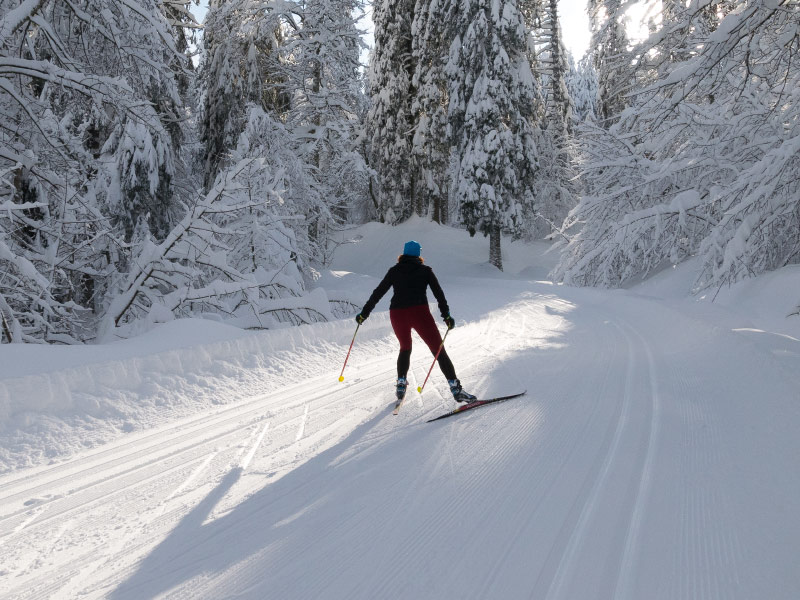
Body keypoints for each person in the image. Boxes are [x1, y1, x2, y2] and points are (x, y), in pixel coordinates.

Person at [355, 240, 477, 403]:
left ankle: (400, 384)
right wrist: (446, 316)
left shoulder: (394, 271)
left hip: (397, 314)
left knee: (405, 348)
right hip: (419, 313)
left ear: (403, 254)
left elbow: (378, 293)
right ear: (419, 255)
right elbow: (439, 294)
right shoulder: (425, 271)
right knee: (438, 350)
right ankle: (456, 389)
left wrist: (364, 313)